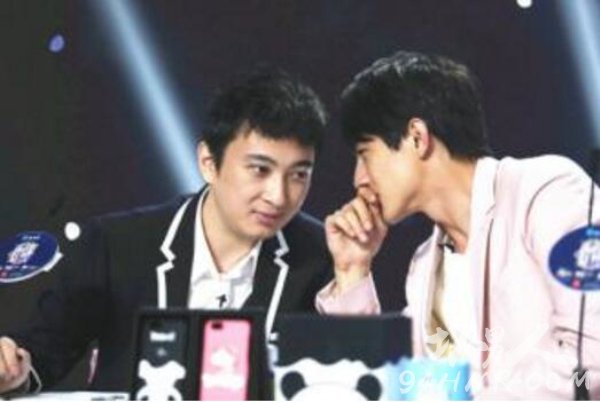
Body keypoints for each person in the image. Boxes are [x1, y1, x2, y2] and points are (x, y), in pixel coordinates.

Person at [0, 69, 379, 395]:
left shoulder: (322, 256)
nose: (278, 196)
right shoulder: (117, 245)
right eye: (260, 170)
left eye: (298, 175)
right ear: (208, 162)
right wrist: (12, 367)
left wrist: (352, 274)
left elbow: (358, 384)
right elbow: (42, 352)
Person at [325, 50, 600, 398]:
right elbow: (385, 389)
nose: (358, 179)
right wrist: (352, 271)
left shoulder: (547, 192)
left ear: (417, 137)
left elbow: (591, 355)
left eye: (365, 155)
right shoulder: (425, 266)